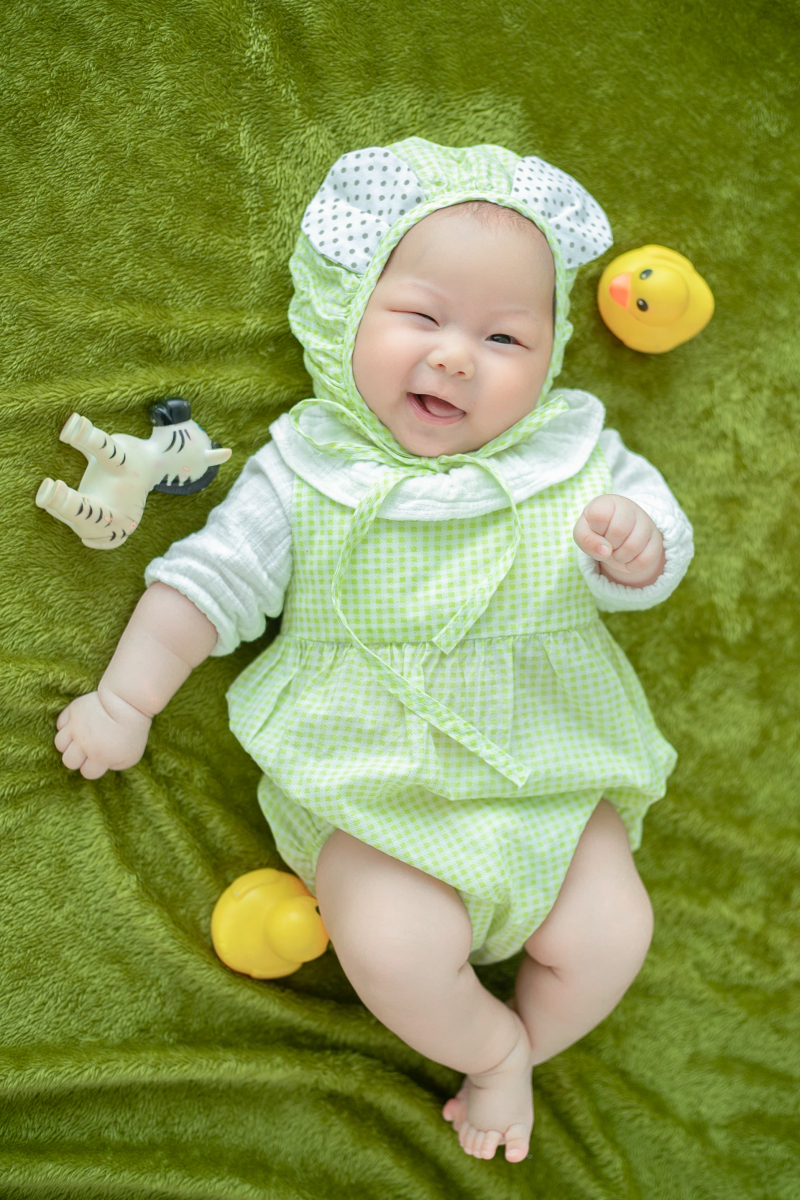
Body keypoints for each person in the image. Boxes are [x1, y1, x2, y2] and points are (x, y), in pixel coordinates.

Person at [53, 139, 694, 1163]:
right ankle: (492, 1051)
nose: (457, 357)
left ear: (553, 354)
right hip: (377, 793)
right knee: (394, 951)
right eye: (422, 318)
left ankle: (530, 1044)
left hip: (552, 778)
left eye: (505, 337)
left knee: (613, 934)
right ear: (345, 313)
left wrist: (638, 547)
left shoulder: (571, 454)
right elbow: (207, 585)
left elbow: (654, 546)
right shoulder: (309, 469)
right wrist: (126, 701)